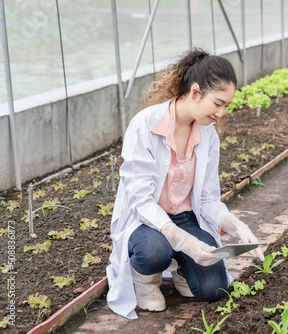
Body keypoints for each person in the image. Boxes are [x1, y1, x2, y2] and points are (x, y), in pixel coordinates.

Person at [106, 48, 264, 319]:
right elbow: (140, 202)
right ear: (194, 92)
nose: (222, 112)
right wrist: (182, 240)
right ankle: (145, 279)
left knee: (214, 290)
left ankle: (182, 265)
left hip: (186, 218)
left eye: (227, 105)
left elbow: (207, 200)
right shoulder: (145, 125)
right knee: (155, 251)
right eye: (218, 103)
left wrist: (235, 225)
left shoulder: (207, 134)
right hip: (147, 223)